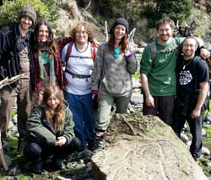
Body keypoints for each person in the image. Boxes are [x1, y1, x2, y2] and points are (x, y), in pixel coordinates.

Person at [140, 17, 210, 126]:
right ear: (158, 31)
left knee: (167, 125)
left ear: (172, 30)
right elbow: (143, 73)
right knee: (148, 125)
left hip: (170, 92)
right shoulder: (150, 49)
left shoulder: (177, 43)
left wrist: (202, 47)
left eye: (167, 30)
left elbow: (195, 39)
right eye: (161, 30)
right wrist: (148, 95)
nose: (164, 33)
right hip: (152, 92)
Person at [0, 5, 36, 154]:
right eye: (25, 17)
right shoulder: (6, 34)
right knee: (5, 109)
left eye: (30, 19)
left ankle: (23, 142)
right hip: (9, 80)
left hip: (27, 81)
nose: (27, 21)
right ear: (19, 18)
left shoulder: (32, 36)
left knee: (26, 113)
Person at [91, 17, 138, 151]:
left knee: (122, 119)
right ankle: (98, 145)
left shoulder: (130, 48)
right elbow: (97, 69)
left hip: (124, 90)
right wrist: (94, 88)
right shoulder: (103, 48)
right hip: (106, 89)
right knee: (102, 119)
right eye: (118, 28)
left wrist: (129, 55)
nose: (120, 31)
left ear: (126, 33)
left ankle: (118, 145)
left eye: (123, 29)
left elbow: (133, 69)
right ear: (113, 30)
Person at [24, 84, 80, 173]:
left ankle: (58, 159)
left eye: (55, 99)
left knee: (75, 142)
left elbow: (70, 128)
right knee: (33, 149)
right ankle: (38, 162)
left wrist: (65, 138)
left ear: (60, 99)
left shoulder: (66, 111)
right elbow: (32, 124)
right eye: (50, 99)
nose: (53, 102)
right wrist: (51, 139)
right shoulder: (39, 110)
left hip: (58, 144)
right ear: (45, 99)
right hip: (42, 143)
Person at [60, 22, 97, 150]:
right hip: (71, 91)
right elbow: (61, 66)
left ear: (88, 35)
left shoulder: (93, 50)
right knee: (75, 120)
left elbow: (99, 71)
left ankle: (92, 143)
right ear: (74, 35)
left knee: (90, 120)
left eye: (84, 32)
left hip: (88, 91)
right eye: (78, 32)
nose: (81, 35)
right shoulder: (68, 48)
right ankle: (80, 144)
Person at [172, 36, 209, 161]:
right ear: (182, 47)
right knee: (175, 129)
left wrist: (198, 108)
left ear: (196, 47)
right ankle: (174, 154)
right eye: (186, 45)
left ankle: (195, 157)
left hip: (195, 101)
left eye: (191, 45)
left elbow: (205, 88)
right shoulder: (179, 61)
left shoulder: (200, 63)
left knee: (196, 132)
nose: (188, 48)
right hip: (181, 101)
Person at [31, 19, 64, 107]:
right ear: (37, 32)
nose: (44, 34)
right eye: (41, 31)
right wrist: (39, 92)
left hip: (54, 83)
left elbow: (72, 38)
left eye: (46, 31)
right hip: (39, 85)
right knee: (39, 108)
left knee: (56, 110)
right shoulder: (32, 46)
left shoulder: (55, 44)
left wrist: (91, 39)